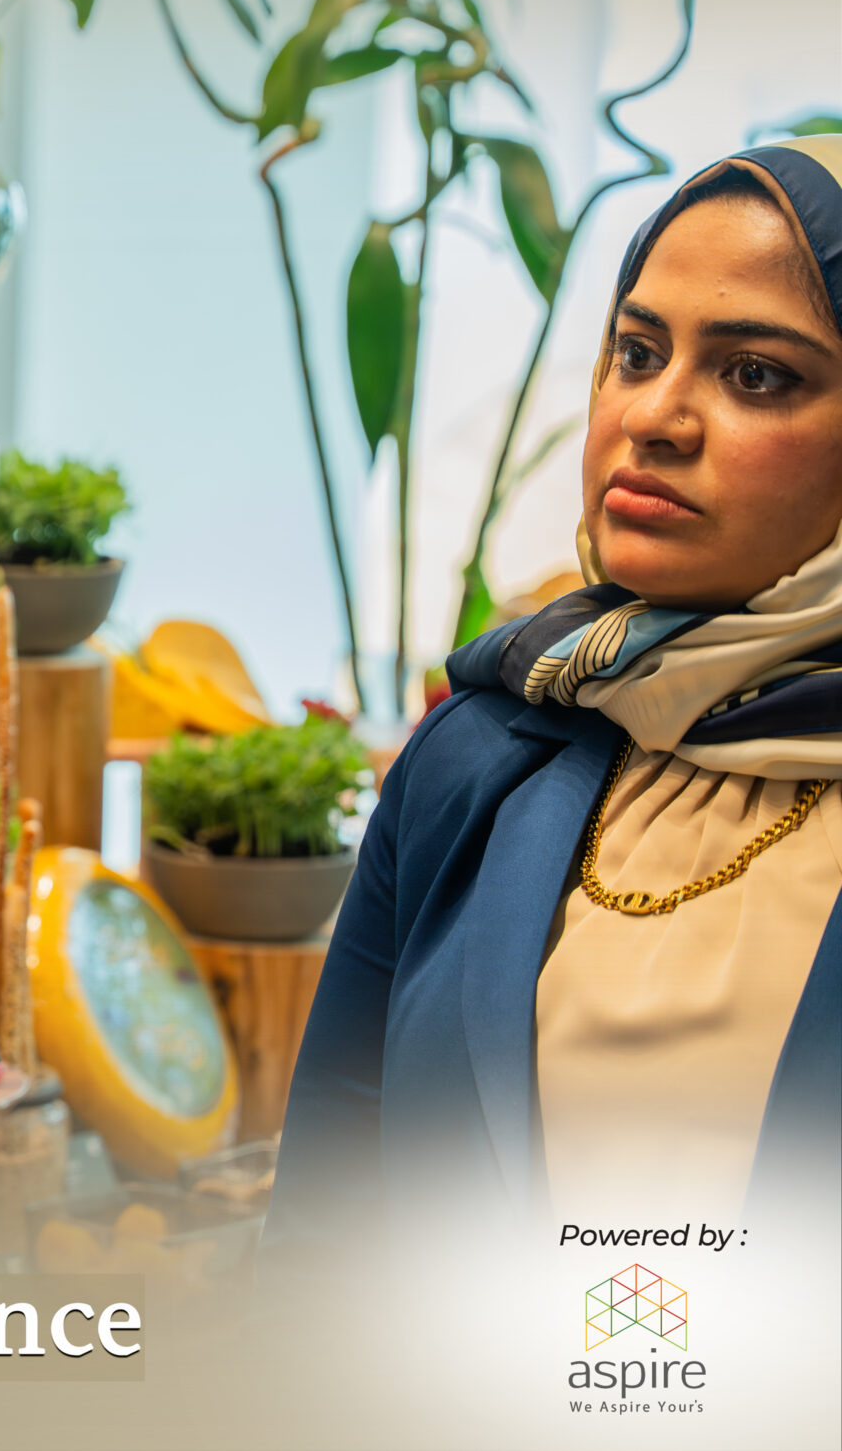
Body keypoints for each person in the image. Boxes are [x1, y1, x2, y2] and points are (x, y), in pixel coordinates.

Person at [269, 139, 842, 1265]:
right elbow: (325, 1242)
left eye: (754, 375)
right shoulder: (476, 755)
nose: (655, 416)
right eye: (637, 352)